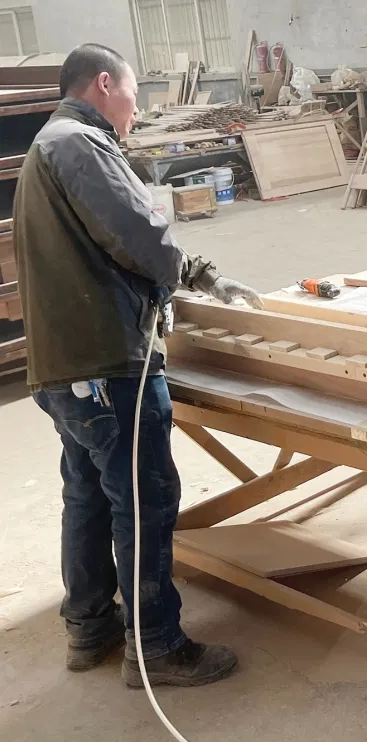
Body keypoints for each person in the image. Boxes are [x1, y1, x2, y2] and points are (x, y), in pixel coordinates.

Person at [15, 43, 264, 687]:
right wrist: (188, 279)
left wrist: (199, 276)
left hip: (67, 368)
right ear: (104, 83)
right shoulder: (78, 142)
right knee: (144, 498)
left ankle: (89, 628)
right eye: (131, 95)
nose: (136, 110)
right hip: (107, 364)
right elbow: (139, 238)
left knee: (90, 494)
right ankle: (154, 645)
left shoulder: (49, 145)